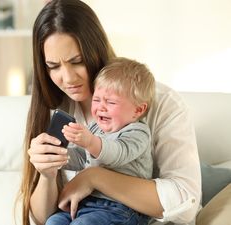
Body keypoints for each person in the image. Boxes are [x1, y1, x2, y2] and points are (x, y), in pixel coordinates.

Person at [19, 1, 201, 225]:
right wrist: (47, 173)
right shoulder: (54, 109)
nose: (67, 79)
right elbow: (40, 219)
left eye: (77, 61)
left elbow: (185, 204)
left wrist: (95, 178)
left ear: (96, 49)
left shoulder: (159, 103)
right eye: (53, 66)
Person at [45, 57, 155, 225]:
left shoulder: (138, 132)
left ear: (138, 110)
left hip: (122, 208)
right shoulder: (96, 128)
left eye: (111, 102)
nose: (101, 107)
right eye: (96, 100)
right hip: (87, 203)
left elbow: (117, 153)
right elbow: (84, 158)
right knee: (54, 222)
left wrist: (90, 142)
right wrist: (59, 155)